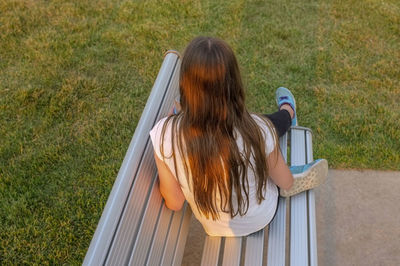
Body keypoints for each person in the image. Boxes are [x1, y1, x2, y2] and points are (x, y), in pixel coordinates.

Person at [150, 36, 327, 236]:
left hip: (212, 225)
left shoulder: (163, 134)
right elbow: (285, 182)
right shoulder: (258, 128)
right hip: (260, 215)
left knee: (259, 132)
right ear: (234, 85)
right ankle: (288, 113)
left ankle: (284, 122)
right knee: (265, 134)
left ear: (185, 85)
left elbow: (174, 203)